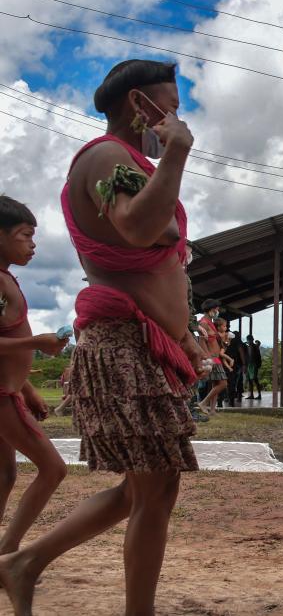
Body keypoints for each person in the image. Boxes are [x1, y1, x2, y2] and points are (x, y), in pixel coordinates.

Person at [0, 59, 207, 615]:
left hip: (142, 347)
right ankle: (32, 566)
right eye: (170, 105)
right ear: (141, 105)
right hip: (123, 349)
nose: (176, 117)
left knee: (146, 491)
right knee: (152, 491)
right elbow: (138, 227)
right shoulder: (105, 156)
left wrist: (183, 338)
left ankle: (25, 562)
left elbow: (151, 250)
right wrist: (180, 151)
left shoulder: (128, 162)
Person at [0, 197, 69, 559]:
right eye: (24, 235)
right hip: (1, 397)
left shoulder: (7, 279)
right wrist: (36, 342)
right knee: (53, 469)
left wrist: (28, 388)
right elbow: (15, 343)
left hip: (10, 392)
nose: (33, 244)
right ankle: (8, 552)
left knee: (5, 477)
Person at [197, 300, 228, 415]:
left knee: (216, 384)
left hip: (216, 357)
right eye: (217, 309)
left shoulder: (210, 322)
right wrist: (207, 357)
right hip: (212, 358)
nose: (217, 311)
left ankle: (212, 410)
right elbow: (201, 340)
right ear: (212, 309)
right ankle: (203, 403)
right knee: (223, 383)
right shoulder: (203, 323)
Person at [245, 334, 262, 400]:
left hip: (254, 365)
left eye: (250, 340)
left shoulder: (255, 347)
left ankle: (259, 395)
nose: (249, 341)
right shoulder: (249, 347)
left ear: (252, 340)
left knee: (255, 379)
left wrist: (258, 365)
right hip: (250, 365)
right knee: (250, 380)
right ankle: (251, 395)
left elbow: (258, 357)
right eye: (248, 340)